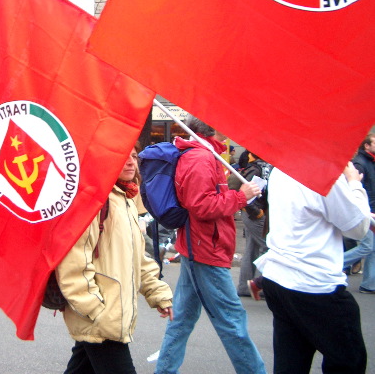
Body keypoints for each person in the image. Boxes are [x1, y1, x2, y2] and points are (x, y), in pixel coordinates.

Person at [155, 115, 265, 374]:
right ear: (209, 129)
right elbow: (202, 206)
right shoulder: (201, 158)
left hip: (199, 245)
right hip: (205, 248)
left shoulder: (203, 155)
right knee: (232, 321)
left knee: (182, 319)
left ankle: (165, 370)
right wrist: (241, 196)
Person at [56, 146, 173, 374]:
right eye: (123, 156)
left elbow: (138, 257)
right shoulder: (91, 201)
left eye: (134, 157)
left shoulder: (125, 199)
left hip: (106, 315)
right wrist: (95, 309)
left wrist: (157, 292)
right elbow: (72, 262)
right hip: (101, 316)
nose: (131, 163)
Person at [255, 164, 374, 373]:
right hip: (314, 284)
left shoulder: (282, 169)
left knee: (291, 360)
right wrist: (354, 183)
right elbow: (357, 227)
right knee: (349, 360)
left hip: (280, 277)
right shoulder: (322, 172)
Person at [228, 152, 271, 297]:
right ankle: (261, 284)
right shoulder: (258, 169)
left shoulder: (256, 168)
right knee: (267, 247)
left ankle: (245, 286)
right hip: (255, 213)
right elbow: (246, 193)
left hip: (253, 212)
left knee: (252, 248)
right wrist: (257, 212)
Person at [342, 133, 375, 294]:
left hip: (368, 209)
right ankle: (336, 263)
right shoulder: (358, 164)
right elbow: (353, 190)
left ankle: (369, 284)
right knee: (368, 245)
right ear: (366, 146)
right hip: (363, 210)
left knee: (372, 247)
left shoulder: (367, 162)